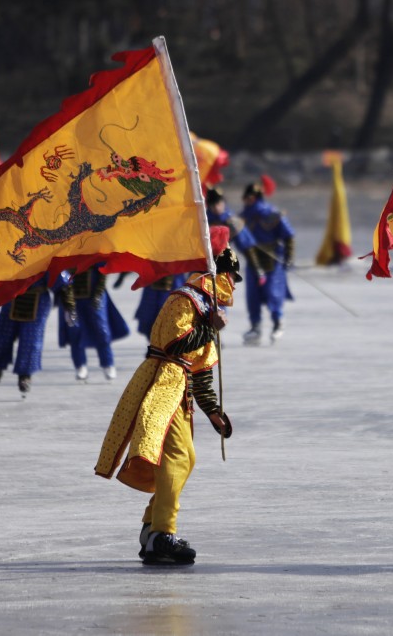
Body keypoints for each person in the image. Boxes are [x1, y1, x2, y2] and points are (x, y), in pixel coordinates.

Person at [95, 226, 239, 566]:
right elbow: (174, 344)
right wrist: (209, 328)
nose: (233, 283)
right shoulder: (185, 299)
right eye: (231, 275)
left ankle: (153, 530)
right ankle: (161, 535)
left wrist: (213, 411)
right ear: (219, 271)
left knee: (184, 460)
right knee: (175, 459)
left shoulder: (206, 305)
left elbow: (201, 367)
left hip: (181, 390)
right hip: (164, 384)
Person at [0, 276, 52, 396]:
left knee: (30, 340)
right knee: (0, 336)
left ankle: (25, 376)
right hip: (12, 297)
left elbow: (61, 277)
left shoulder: (46, 258)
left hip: (38, 299)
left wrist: (69, 306)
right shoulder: (9, 257)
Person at [239, 181, 295, 346]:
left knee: (273, 294)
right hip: (252, 261)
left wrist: (288, 256)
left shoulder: (272, 214)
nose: (247, 201)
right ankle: (255, 326)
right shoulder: (243, 217)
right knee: (253, 296)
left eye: (249, 197)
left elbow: (288, 235)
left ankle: (277, 323)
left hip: (272, 261)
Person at [55, 266, 129, 381]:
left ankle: (108, 364)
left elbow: (103, 269)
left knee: (101, 329)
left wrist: (98, 292)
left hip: (94, 291)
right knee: (74, 330)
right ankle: (80, 366)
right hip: (71, 293)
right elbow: (61, 274)